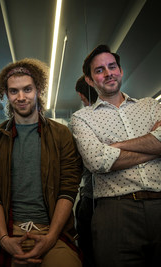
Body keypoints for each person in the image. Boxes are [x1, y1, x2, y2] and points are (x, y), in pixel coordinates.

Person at [70, 45, 161, 267]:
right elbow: (97, 161)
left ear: (120, 70)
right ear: (90, 80)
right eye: (99, 70)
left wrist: (114, 147)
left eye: (112, 66)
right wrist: (156, 145)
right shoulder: (82, 118)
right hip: (115, 211)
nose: (108, 73)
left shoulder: (149, 105)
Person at [0, 58, 83, 267]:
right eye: (13, 91)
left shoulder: (61, 134)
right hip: (9, 231)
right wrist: (3, 240)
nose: (21, 97)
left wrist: (51, 238)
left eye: (27, 89)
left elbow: (68, 188)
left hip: (52, 231)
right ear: (6, 95)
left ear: (38, 90)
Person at [73, 75, 97, 267]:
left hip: (92, 200)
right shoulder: (80, 121)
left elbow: (77, 168)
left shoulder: (80, 121)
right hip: (91, 198)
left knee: (88, 253)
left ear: (83, 96)